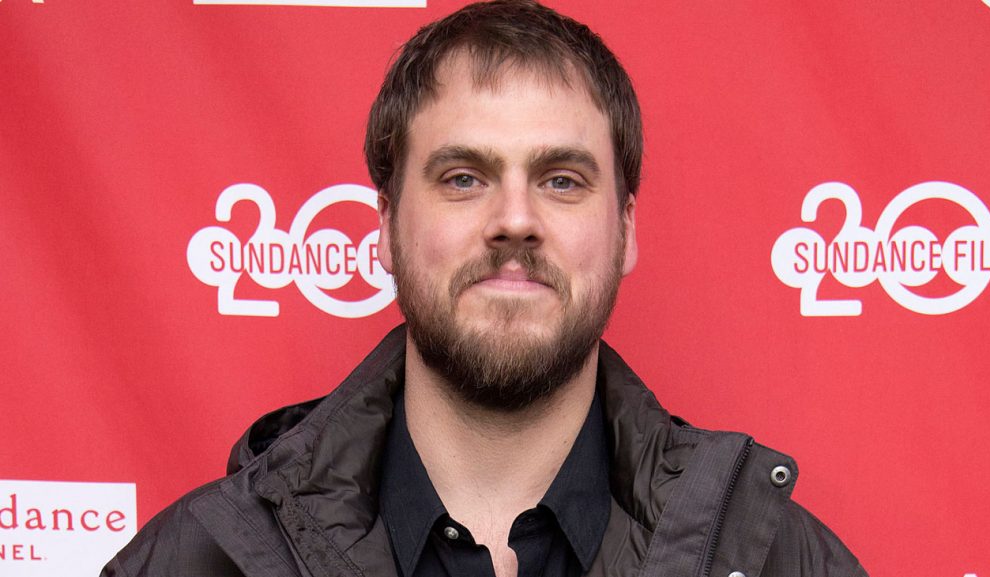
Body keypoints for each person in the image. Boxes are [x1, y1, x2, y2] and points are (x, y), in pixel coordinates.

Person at [103, 1, 866, 576]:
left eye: (561, 180)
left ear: (626, 229)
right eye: (464, 177)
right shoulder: (198, 562)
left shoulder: (780, 561)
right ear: (386, 225)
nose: (515, 220)